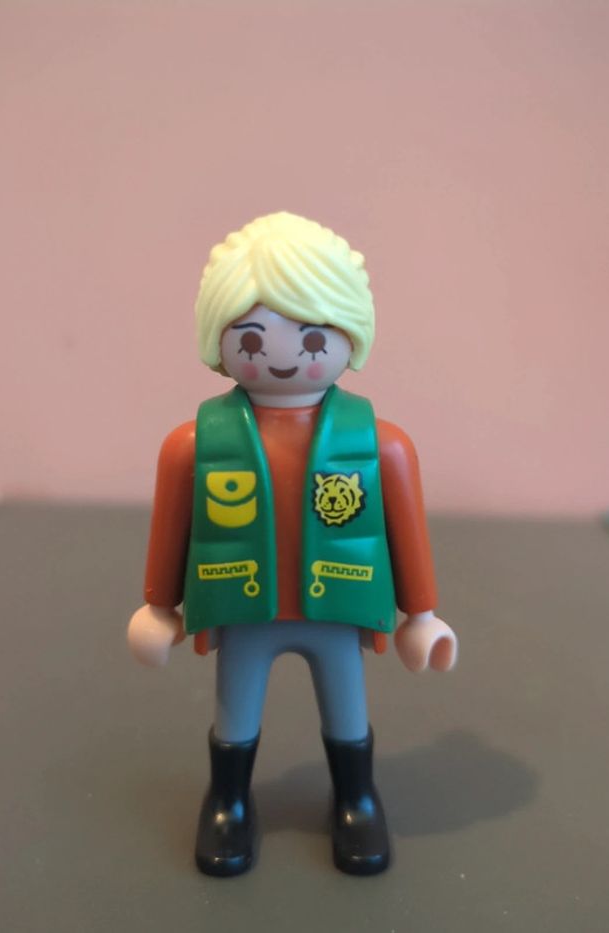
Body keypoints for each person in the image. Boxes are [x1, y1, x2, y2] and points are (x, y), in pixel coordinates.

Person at [127, 211, 458, 877]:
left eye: (312, 336)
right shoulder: (194, 445)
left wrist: (422, 614)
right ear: (218, 339)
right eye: (250, 336)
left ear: (350, 334)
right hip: (242, 607)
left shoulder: (380, 444)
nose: (281, 354)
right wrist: (158, 606)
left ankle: (356, 797)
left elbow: (406, 527)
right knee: (235, 712)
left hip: (336, 605)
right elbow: (172, 524)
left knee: (346, 708)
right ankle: (228, 800)